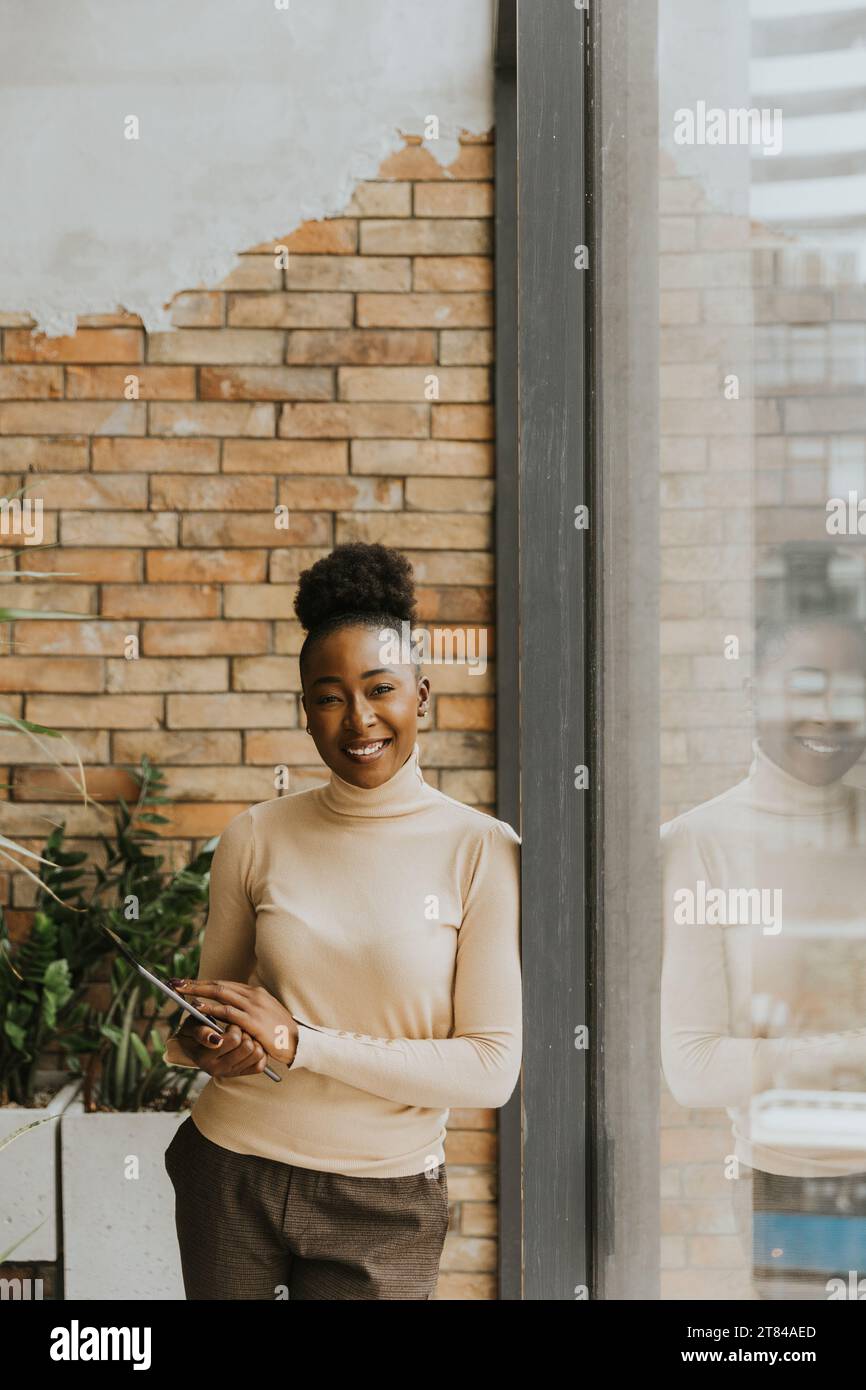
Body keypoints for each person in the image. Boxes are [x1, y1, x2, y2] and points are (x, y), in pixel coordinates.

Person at [161, 541, 523, 1300]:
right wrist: (205, 1041)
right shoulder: (254, 835)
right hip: (230, 1170)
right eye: (329, 696)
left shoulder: (482, 850)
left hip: (381, 1200)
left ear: (420, 695)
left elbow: (490, 1068)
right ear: (305, 711)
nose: (358, 718)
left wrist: (303, 1044)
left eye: (380, 689)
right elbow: (202, 1015)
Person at [661, 613, 866, 1297]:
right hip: (797, 1196)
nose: (829, 715)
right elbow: (692, 1069)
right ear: (753, 689)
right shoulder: (702, 841)